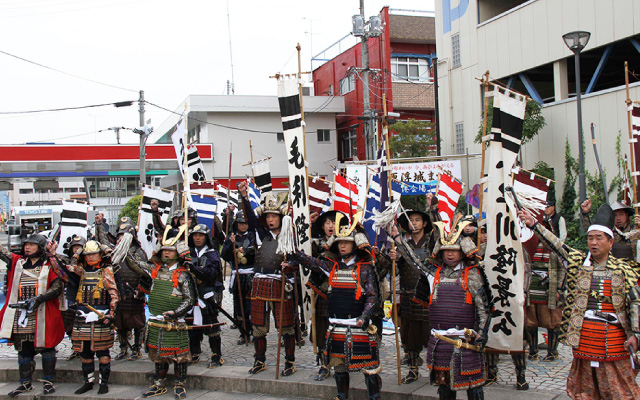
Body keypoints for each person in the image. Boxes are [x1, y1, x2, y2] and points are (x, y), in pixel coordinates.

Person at [519, 204, 640, 399]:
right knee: (584, 390)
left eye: (599, 238)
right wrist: (534, 225)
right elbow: (557, 244)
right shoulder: (578, 262)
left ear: (610, 242)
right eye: (591, 238)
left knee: (620, 389)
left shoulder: (623, 269)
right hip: (584, 336)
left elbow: (635, 302)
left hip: (615, 337)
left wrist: (636, 334)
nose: (593, 243)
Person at [391, 218, 490, 400]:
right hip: (441, 342)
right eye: (446, 251)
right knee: (444, 390)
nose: (450, 254)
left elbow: (483, 308)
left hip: (466, 340)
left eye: (454, 250)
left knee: (474, 389)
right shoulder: (433, 273)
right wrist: (399, 240)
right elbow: (415, 261)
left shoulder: (473, 274)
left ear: (462, 251)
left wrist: (482, 334)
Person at [296, 212, 382, 400]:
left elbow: (372, 298)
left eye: (347, 242)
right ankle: (342, 397)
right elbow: (312, 262)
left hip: (359, 328)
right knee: (339, 368)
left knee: (369, 370)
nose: (342, 246)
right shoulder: (332, 267)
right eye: (340, 243)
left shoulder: (364, 269)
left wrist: (364, 317)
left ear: (355, 245)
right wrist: (294, 250)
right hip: (336, 327)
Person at [126, 229, 196, 399]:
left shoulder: (183, 275)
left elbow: (190, 299)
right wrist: (126, 244)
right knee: (158, 355)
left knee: (179, 355)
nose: (166, 253)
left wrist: (176, 312)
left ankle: (180, 384)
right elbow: (134, 264)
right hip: (156, 320)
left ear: (177, 253)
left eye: (170, 250)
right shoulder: (154, 270)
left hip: (175, 321)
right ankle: (159, 383)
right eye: (164, 250)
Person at [237, 181, 297, 376]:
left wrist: (290, 266)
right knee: (258, 326)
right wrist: (244, 197)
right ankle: (259, 359)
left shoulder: (289, 236)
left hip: (280, 283)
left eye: (274, 216)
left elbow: (297, 260)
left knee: (286, 326)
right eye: (268, 216)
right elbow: (251, 220)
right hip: (260, 282)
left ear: (281, 218)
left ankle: (289, 361)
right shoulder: (262, 234)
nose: (271, 220)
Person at [0, 234, 66, 397]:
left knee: (47, 348)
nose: (27, 247)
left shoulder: (50, 264)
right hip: (21, 314)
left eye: (31, 245)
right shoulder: (17, 263)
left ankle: (48, 381)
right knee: (23, 349)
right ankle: (25, 383)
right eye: (26, 245)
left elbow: (57, 287)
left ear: (41, 247)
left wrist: (39, 298)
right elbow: (1, 252)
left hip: (43, 312)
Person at [55, 240, 119, 395]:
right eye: (88, 254)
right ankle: (88, 382)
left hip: (100, 315)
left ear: (100, 254)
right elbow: (61, 270)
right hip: (83, 316)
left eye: (94, 254)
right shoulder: (80, 271)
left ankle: (103, 383)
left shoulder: (106, 271)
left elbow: (114, 294)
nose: (90, 257)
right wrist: (52, 255)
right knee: (84, 353)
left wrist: (111, 314)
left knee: (103, 352)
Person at [96, 216, 149, 361]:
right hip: (119, 293)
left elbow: (146, 274)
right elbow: (102, 242)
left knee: (137, 323)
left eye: (123, 235)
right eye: (119, 235)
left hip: (134, 294)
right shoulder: (115, 252)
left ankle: (137, 349)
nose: (120, 238)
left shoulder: (139, 253)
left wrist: (141, 290)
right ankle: (123, 348)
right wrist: (99, 225)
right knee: (120, 323)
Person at [390, 209, 433, 384]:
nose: (414, 223)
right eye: (410, 220)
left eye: (417, 220)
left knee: (431, 335)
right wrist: (390, 257)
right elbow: (389, 268)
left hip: (426, 297)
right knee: (409, 336)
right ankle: (413, 369)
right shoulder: (400, 245)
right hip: (407, 296)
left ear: (424, 224)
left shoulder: (432, 245)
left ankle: (435, 369)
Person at [306, 210, 346, 381]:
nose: (331, 226)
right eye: (328, 223)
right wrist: (306, 226)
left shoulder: (346, 243)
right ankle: (323, 364)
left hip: (343, 293)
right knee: (322, 330)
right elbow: (303, 252)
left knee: (341, 331)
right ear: (322, 226)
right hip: (322, 294)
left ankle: (341, 363)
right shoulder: (315, 244)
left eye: (334, 222)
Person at [525, 219, 566, 362]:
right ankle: (533, 349)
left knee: (552, 321)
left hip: (550, 288)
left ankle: (552, 351)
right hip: (532, 288)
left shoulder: (555, 248)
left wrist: (560, 288)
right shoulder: (529, 247)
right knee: (531, 322)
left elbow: (562, 269)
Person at [187, 223, 225, 368]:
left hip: (207, 294)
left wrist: (194, 269)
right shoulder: (188, 253)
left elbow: (211, 274)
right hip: (191, 295)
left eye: (201, 235)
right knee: (192, 325)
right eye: (195, 235)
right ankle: (194, 351)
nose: (197, 238)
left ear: (206, 237)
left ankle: (216, 355)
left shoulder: (212, 254)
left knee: (211, 326)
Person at [221, 210, 256, 345]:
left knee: (251, 304)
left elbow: (257, 252)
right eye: (241, 223)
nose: (243, 226)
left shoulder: (253, 236)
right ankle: (243, 332)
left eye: (245, 223)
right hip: (238, 274)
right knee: (239, 306)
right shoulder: (231, 237)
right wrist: (230, 244)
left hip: (251, 274)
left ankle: (254, 330)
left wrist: (247, 251)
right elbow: (225, 255)